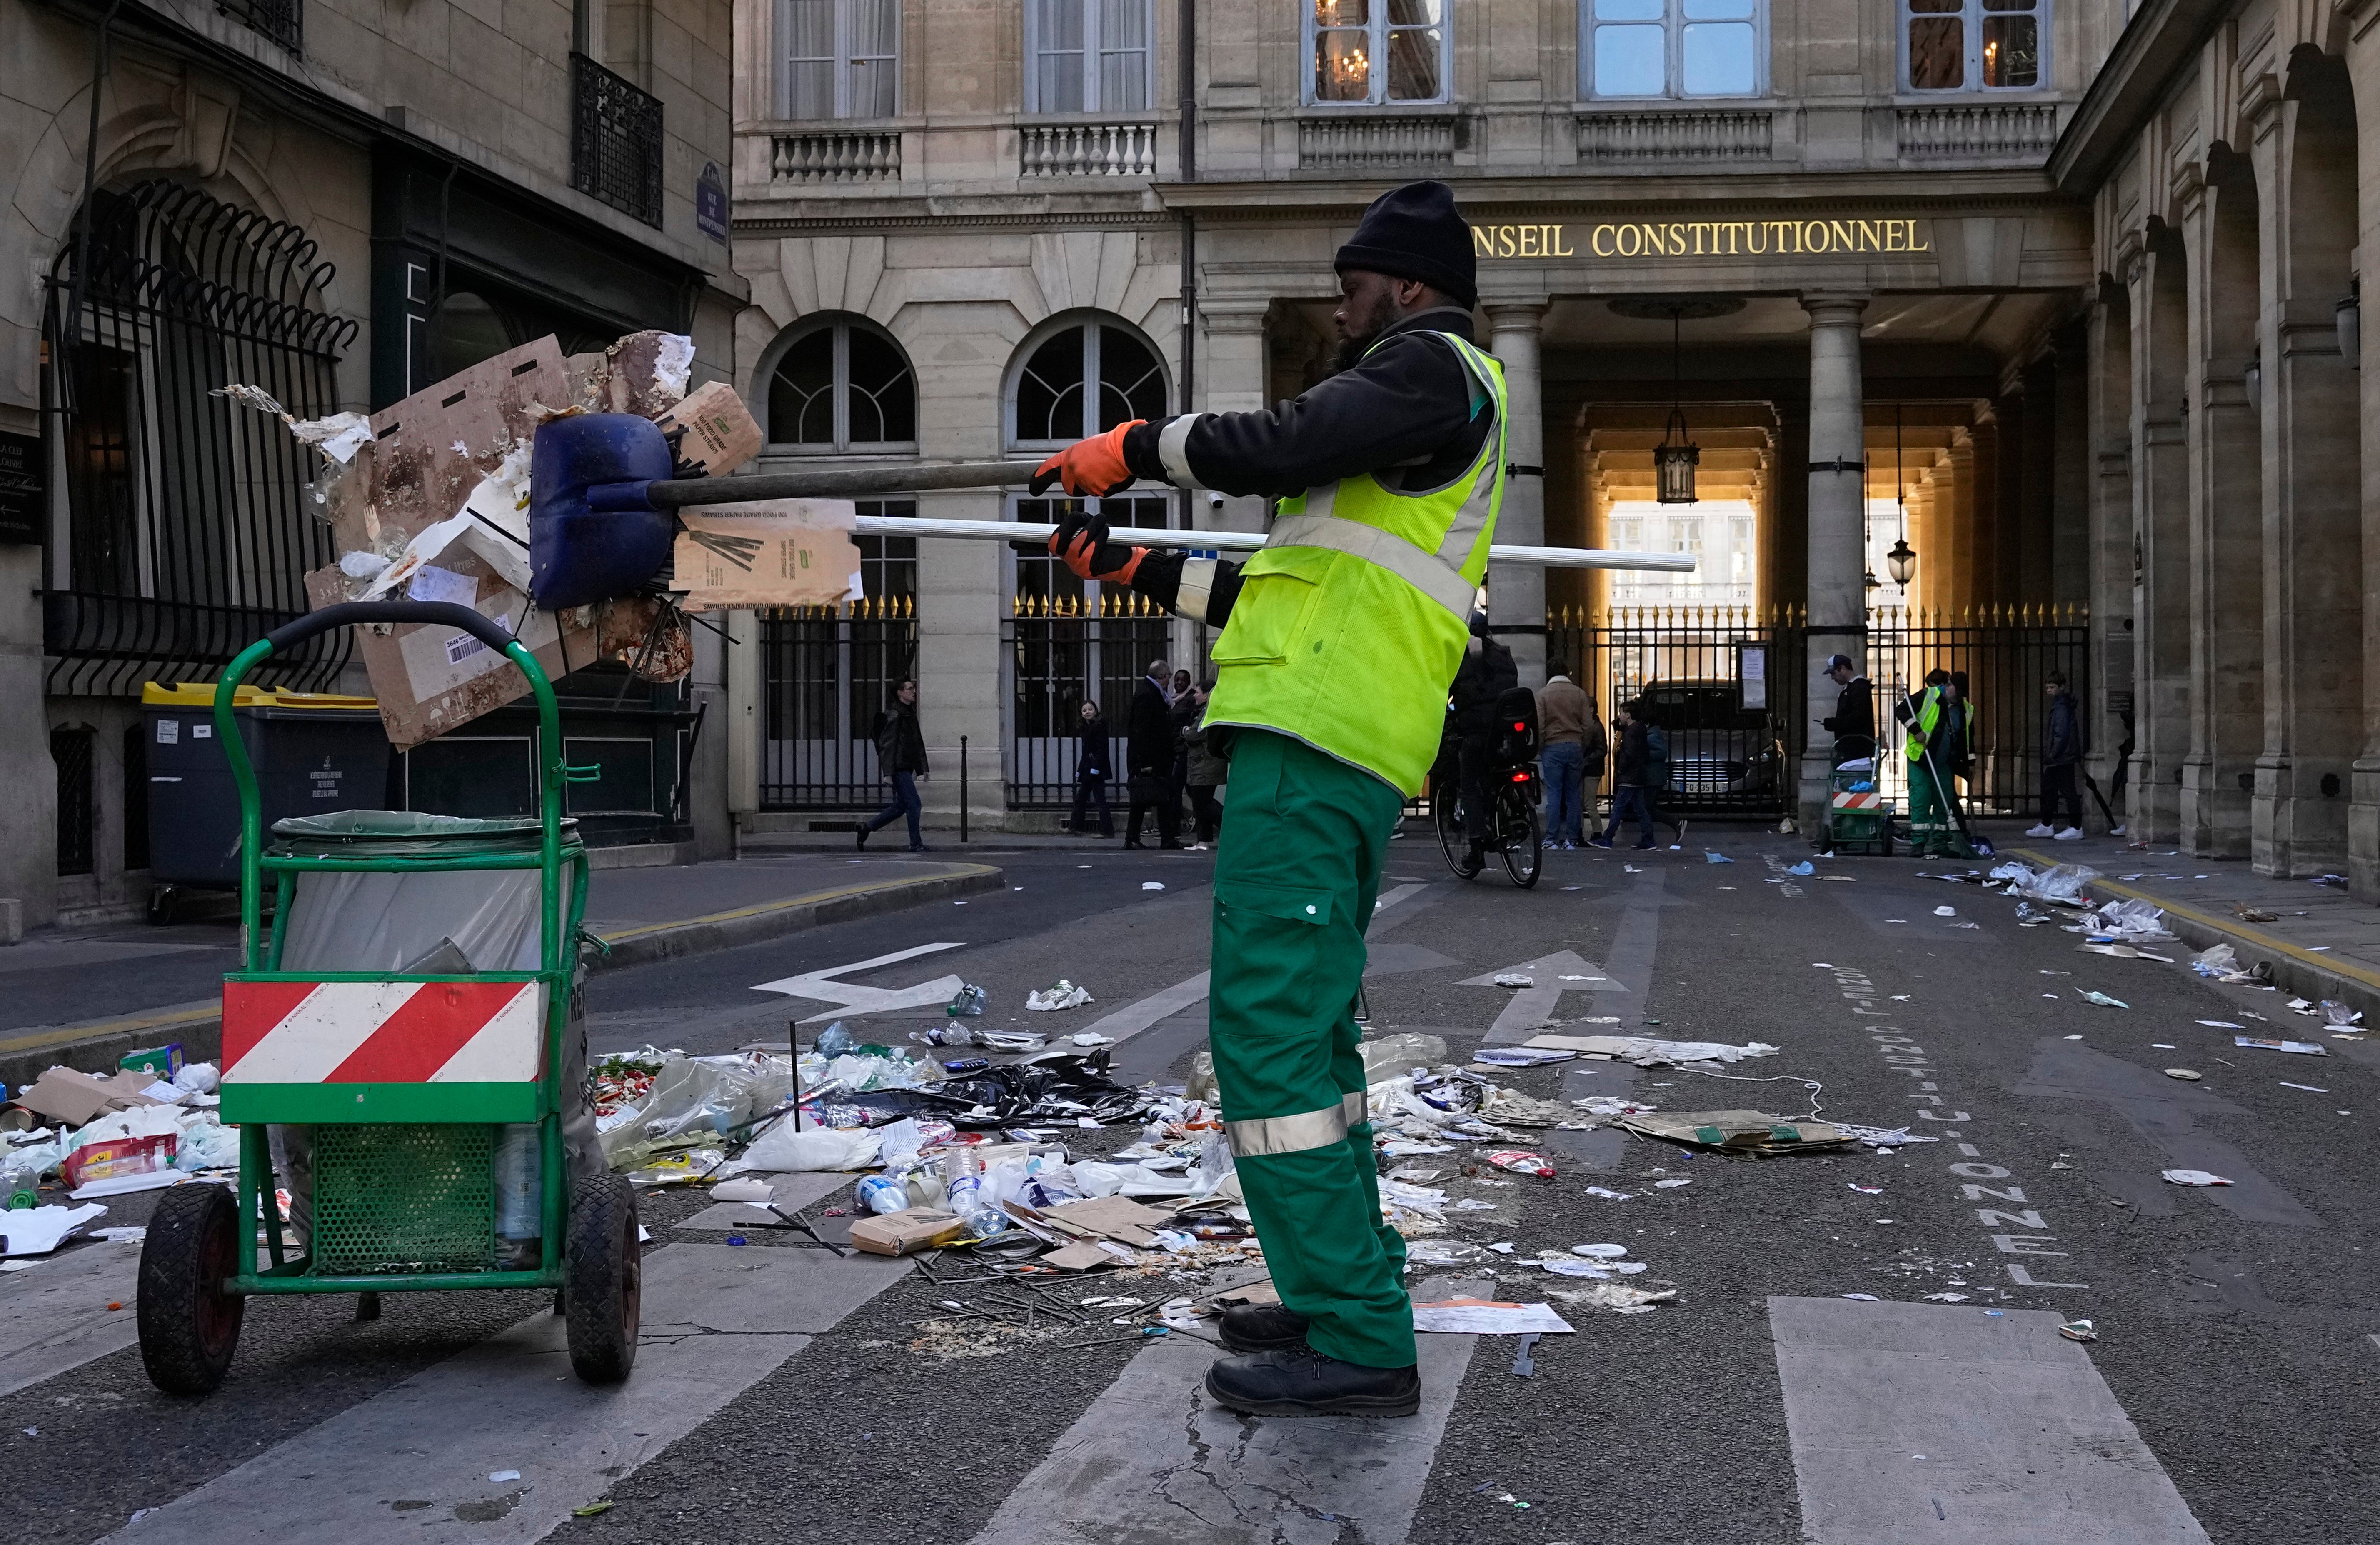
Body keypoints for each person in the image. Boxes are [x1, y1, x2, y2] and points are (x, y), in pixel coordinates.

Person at [1023, 179, 1502, 1418]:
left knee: (1270, 1040)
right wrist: (1128, 564)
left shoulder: (1430, 368)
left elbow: (1280, 440)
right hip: (1324, 742)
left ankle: (1355, 1333)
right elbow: (1276, 602)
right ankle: (1335, 1292)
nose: (1337, 303)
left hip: (1313, 751)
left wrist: (1128, 449)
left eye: (1352, 280)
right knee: (1311, 1045)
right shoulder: (1406, 414)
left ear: (1405, 283)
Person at [1449, 613, 1518, 872]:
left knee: (1468, 786)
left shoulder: (1460, 660)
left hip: (1477, 734)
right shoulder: (1503, 654)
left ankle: (1477, 847)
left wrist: (1453, 710)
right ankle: (1511, 815)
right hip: (1505, 731)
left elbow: (1450, 694)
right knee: (1498, 775)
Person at [1895, 668, 1971, 858]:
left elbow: (1969, 739)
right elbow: (1902, 710)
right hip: (1921, 758)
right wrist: (1915, 729)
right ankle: (1919, 843)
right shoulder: (1929, 695)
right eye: (1950, 685)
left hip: (1944, 763)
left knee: (1943, 803)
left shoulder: (1965, 709)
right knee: (1921, 801)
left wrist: (1971, 763)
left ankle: (1940, 843)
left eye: (1954, 687)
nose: (1949, 689)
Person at [857, 678, 927, 851]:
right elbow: (887, 746)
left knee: (902, 806)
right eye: (910, 689)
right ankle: (915, 844)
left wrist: (922, 768)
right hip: (898, 767)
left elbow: (917, 742)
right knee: (914, 804)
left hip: (905, 765)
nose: (914, 692)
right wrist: (888, 773)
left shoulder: (908, 713)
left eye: (914, 688)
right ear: (900, 693)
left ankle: (867, 827)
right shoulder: (895, 715)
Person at [1124, 657, 1184, 850]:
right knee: (1143, 799)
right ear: (1162, 676)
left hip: (1158, 756)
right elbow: (1140, 731)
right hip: (1151, 758)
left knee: (1162, 797)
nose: (1169, 681)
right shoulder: (1148, 695)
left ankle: (1167, 838)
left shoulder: (1153, 693)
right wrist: (1144, 761)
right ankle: (1133, 838)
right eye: (1168, 677)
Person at [1536, 670, 1595, 849]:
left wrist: (1541, 746)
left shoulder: (1542, 695)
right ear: (1568, 674)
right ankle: (1572, 838)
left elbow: (1539, 724)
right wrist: (1582, 745)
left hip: (1553, 747)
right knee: (1573, 795)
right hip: (1576, 745)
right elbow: (1589, 725)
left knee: (1554, 794)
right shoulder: (1579, 694)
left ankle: (1552, 838)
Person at [1590, 700, 1656, 849]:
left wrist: (1621, 769)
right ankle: (1648, 838)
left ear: (1628, 715)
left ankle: (1608, 838)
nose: (1619, 716)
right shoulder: (1639, 730)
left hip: (1629, 776)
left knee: (1619, 808)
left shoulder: (1631, 733)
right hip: (1638, 775)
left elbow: (1629, 754)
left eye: (1621, 713)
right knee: (1640, 808)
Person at [2029, 670, 2084, 840]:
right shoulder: (2061, 705)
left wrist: (2053, 754)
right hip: (2061, 756)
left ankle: (2075, 827)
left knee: (2066, 791)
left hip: (2061, 758)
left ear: (2062, 687)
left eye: (2052, 687)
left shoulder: (2061, 708)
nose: (2049, 690)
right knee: (2050, 790)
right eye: (2047, 687)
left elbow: (2061, 734)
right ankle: (2047, 825)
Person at [1184, 680, 1228, 848]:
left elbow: (1196, 734)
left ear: (1208, 694)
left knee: (1203, 802)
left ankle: (1226, 828)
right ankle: (1203, 840)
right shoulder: (1205, 711)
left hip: (1206, 762)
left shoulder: (1208, 712)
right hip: (1204, 762)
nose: (1195, 695)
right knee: (1201, 801)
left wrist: (1185, 731)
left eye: (1198, 692)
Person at [1069, 698, 1115, 838]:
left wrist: (1096, 769)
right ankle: (1075, 827)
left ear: (1096, 711)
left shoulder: (1098, 727)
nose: (1088, 712)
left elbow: (1102, 751)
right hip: (1089, 768)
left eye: (1090, 709)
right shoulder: (1087, 728)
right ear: (1081, 714)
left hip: (1095, 770)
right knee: (1082, 798)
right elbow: (1086, 752)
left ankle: (1107, 831)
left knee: (1099, 800)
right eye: (1085, 710)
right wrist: (1080, 770)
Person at [1820, 653, 1876, 764]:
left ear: (1843, 669)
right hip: (1852, 749)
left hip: (1857, 750)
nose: (1832, 677)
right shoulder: (1853, 688)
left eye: (1833, 673)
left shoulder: (1858, 687)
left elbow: (1857, 718)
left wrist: (1832, 723)